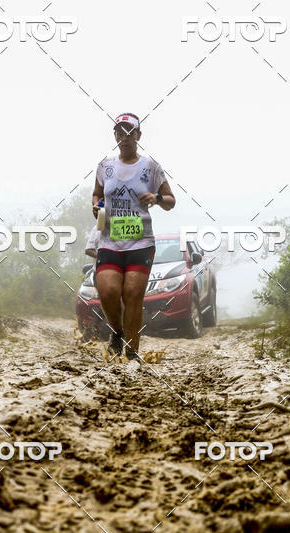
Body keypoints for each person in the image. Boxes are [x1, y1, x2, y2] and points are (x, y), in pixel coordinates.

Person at [92, 112, 175, 361]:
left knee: (132, 294)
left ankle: (132, 351)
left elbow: (171, 201)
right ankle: (117, 332)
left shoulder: (150, 167)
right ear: (115, 136)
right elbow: (97, 195)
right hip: (109, 240)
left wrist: (156, 198)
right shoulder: (105, 166)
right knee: (107, 291)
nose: (124, 137)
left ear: (138, 135)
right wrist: (97, 206)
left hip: (141, 242)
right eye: (119, 132)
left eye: (129, 132)